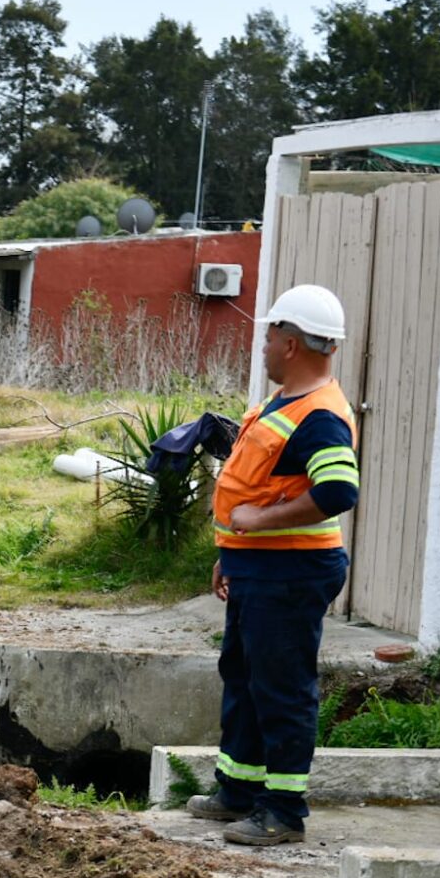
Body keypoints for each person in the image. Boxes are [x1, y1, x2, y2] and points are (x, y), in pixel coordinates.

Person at [187, 284, 361, 846]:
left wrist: (260, 524)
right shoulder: (279, 403)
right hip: (258, 570)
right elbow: (255, 482)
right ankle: (237, 791)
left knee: (282, 688)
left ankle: (283, 812)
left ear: (290, 343)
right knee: (243, 677)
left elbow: (337, 489)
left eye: (269, 334)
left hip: (292, 573)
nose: (261, 343)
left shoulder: (321, 415)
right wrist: (230, 555)